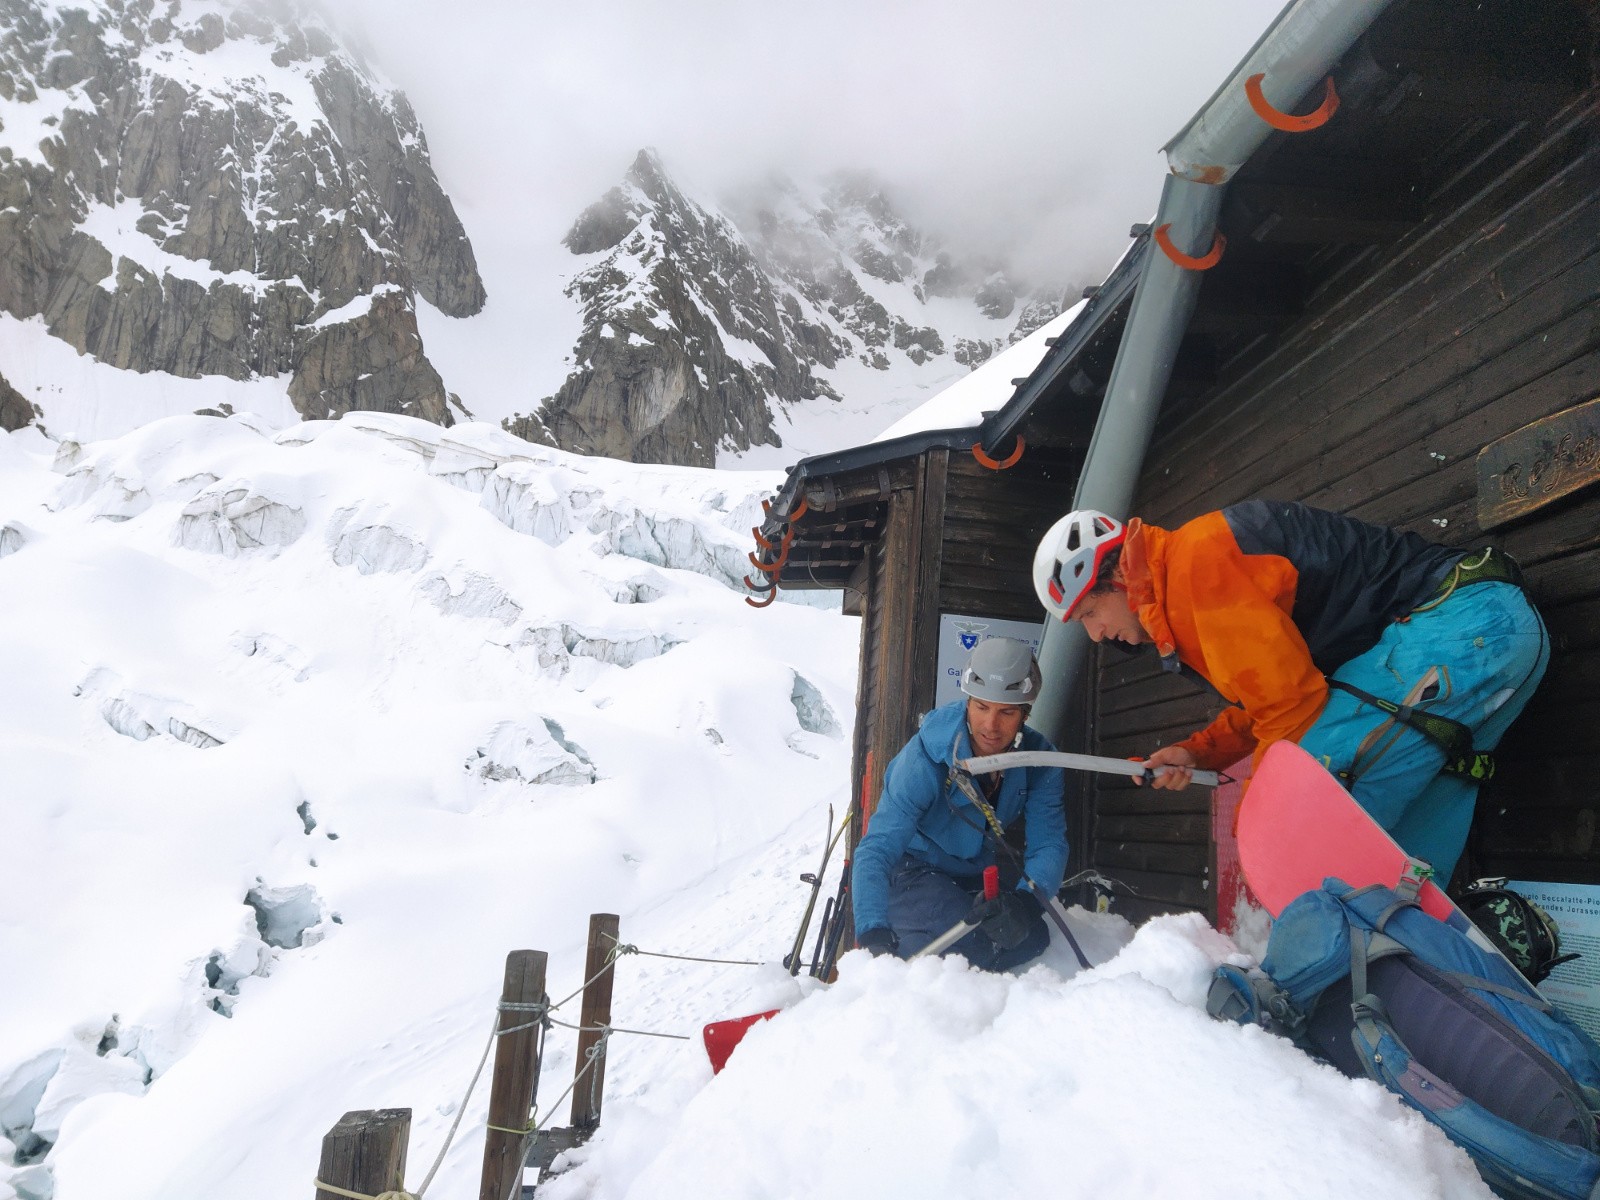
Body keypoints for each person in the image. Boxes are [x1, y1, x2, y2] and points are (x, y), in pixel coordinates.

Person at [1032, 502, 1549, 884]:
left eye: (1089, 615)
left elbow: (1294, 707)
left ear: (1118, 577)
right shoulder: (1187, 587)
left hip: (1459, 628)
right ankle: (1418, 958)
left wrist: (1256, 820)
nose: (1096, 636)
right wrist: (1197, 751)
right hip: (1496, 635)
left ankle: (1296, 987)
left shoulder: (1196, 563)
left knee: (1308, 820)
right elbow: (1270, 702)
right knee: (1404, 860)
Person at [851, 638, 1068, 970]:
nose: (990, 726)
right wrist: (872, 930)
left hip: (972, 876)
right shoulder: (926, 755)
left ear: (1025, 713)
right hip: (912, 870)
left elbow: (1049, 843)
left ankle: (929, 954)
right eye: (981, 707)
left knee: (1031, 936)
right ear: (967, 702)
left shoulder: (1039, 760)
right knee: (972, 946)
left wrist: (1026, 904)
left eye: (1006, 712)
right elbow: (877, 847)